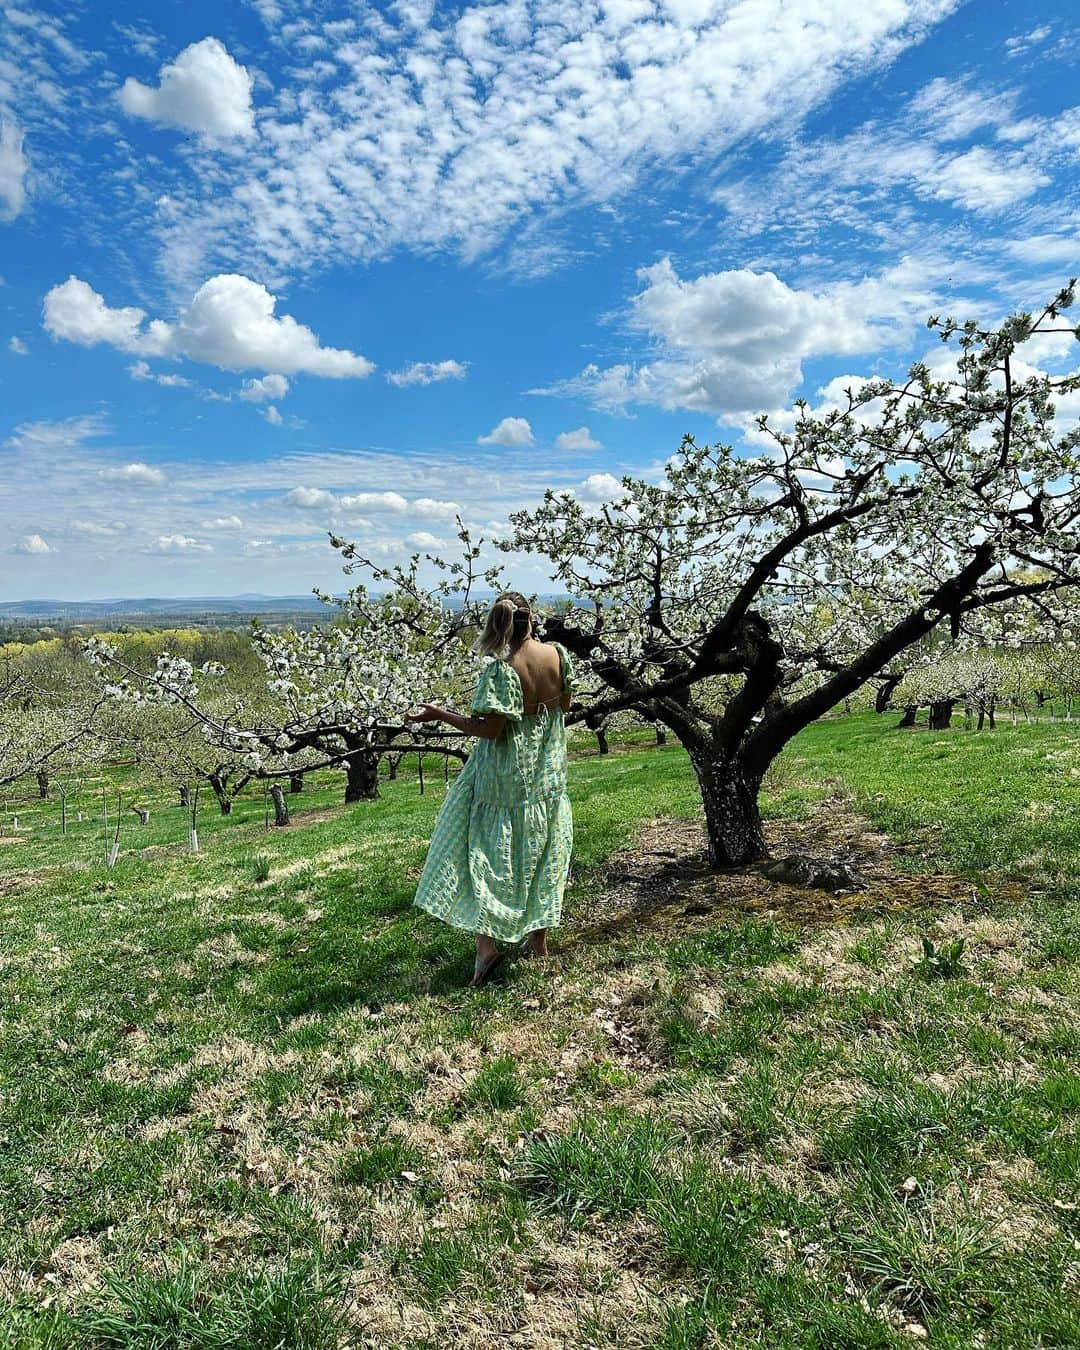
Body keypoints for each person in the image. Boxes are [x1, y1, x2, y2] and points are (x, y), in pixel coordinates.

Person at [409, 592, 574, 986]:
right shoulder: (557, 656)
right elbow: (564, 707)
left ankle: (487, 948)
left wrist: (440, 715)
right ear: (531, 620)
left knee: (487, 856)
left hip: (504, 779)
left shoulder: (503, 671)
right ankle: (538, 944)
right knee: (542, 852)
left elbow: (491, 730)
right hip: (546, 773)